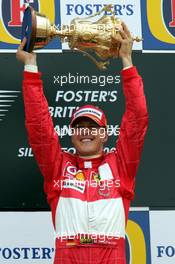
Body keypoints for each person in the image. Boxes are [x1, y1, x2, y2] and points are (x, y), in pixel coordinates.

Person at [16, 22, 148, 264]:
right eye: (80, 127)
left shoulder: (121, 166)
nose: (86, 132)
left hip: (112, 257)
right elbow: (39, 127)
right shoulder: (57, 166)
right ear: (72, 132)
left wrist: (127, 61)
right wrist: (30, 65)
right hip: (68, 256)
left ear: (105, 134)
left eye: (93, 128)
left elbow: (137, 120)